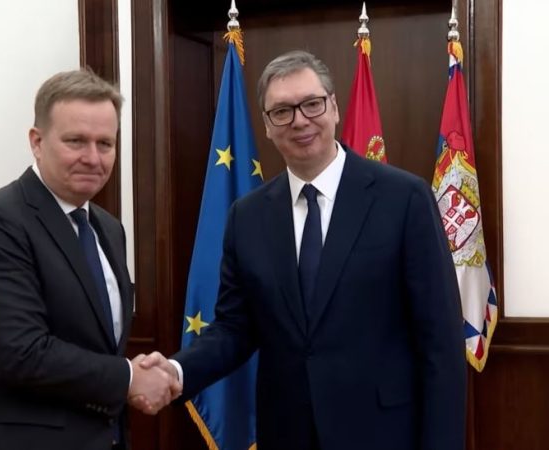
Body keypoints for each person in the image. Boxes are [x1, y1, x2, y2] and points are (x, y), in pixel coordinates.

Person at [138, 50, 466, 450]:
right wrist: (175, 371)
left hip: (383, 433)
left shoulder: (404, 199)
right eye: (282, 111)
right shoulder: (248, 216)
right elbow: (234, 328)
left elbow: (440, 341)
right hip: (286, 433)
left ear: (334, 107)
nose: (299, 120)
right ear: (266, 126)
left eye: (312, 104)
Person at [0, 69, 180, 450]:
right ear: (37, 142)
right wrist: (129, 377)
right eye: (76, 141)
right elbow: (22, 352)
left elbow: (96, 343)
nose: (92, 158)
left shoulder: (109, 229)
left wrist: (135, 376)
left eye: (105, 143)